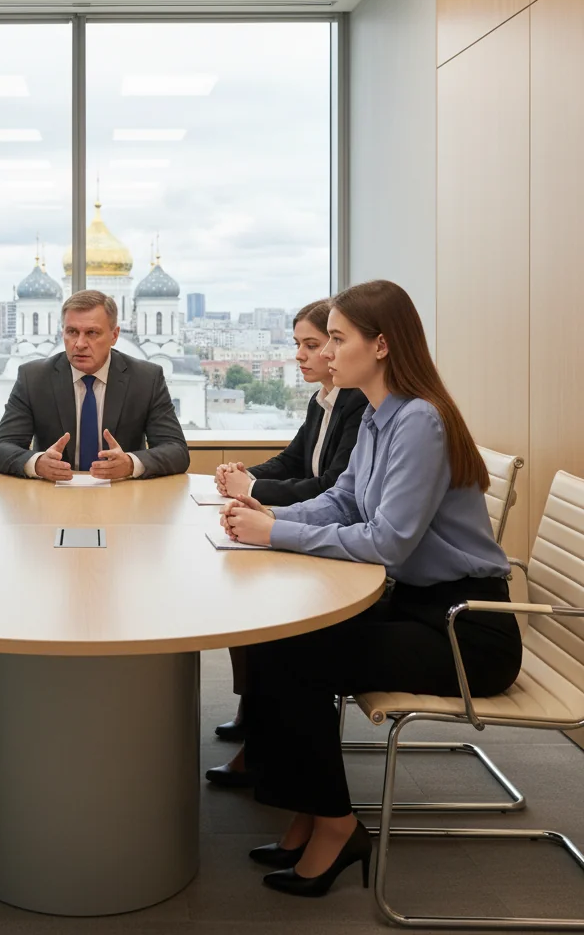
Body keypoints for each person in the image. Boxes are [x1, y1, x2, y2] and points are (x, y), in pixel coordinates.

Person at [219, 279, 521, 898]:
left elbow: (387, 543)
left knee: (297, 655)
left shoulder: (420, 423)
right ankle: (310, 810)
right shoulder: (382, 417)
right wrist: (263, 515)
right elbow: (343, 499)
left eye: (336, 339)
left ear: (380, 345)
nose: (326, 354)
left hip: (466, 628)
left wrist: (274, 533)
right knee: (279, 641)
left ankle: (336, 826)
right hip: (416, 606)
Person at [207, 300, 367, 781]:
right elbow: (297, 462)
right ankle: (255, 720)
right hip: (333, 535)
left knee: (270, 617)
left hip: (367, 568)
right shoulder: (325, 401)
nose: (302, 355)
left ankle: (263, 741)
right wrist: (246, 476)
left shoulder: (366, 407)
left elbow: (334, 489)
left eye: (316, 344)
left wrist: (261, 504)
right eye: (299, 344)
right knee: (249, 590)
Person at [0, 290, 189, 480]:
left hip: (122, 496)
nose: (80, 343)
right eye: (72, 332)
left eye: (92, 333)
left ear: (114, 335)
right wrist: (38, 463)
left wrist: (129, 463)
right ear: (63, 333)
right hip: (53, 498)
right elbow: (0, 449)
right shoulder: (34, 378)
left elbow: (176, 451)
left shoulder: (146, 378)